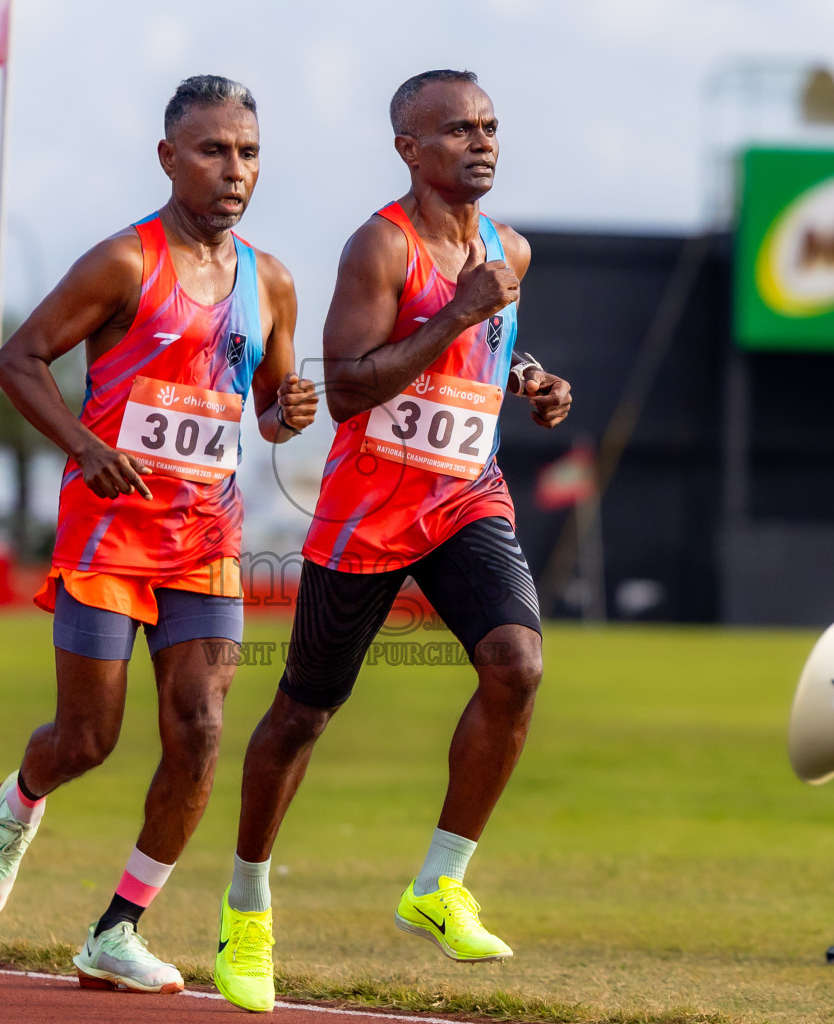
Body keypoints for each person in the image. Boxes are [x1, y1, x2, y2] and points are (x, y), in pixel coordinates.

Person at [213, 69, 572, 1013]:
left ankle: (440, 884)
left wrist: (531, 379)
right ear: (409, 148)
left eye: (490, 126)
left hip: (464, 496)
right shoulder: (380, 245)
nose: (482, 142)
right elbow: (349, 389)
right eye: (457, 129)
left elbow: (483, 354)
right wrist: (458, 309)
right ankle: (246, 910)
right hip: (371, 510)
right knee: (303, 714)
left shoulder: (509, 250)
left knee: (517, 665)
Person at [0, 74, 317, 995]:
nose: (234, 170)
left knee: (198, 732)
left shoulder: (270, 282)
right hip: (110, 534)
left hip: (205, 536)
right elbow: (17, 358)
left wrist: (289, 412)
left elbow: (266, 411)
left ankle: (118, 927)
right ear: (168, 158)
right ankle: (19, 800)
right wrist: (85, 443)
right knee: (90, 738)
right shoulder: (123, 262)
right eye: (213, 150)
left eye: (248, 153)